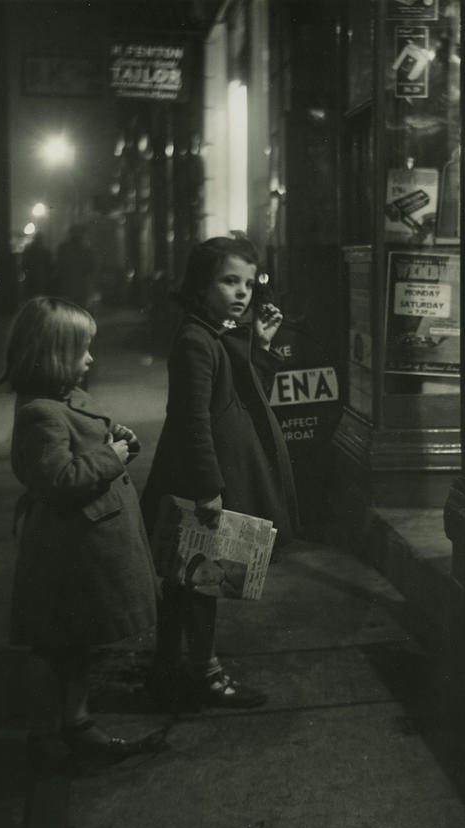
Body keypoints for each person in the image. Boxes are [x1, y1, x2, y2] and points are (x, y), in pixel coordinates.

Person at [0, 296, 165, 770]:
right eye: (81, 351)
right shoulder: (40, 414)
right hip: (65, 550)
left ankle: (76, 721)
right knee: (55, 645)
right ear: (51, 355)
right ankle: (48, 734)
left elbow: (86, 439)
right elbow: (60, 479)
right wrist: (111, 454)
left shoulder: (63, 399)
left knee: (75, 642)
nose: (90, 359)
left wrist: (112, 439)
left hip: (80, 542)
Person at [141, 235, 299, 710]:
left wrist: (262, 346)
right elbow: (192, 419)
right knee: (199, 577)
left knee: (184, 577)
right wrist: (209, 487)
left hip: (207, 475)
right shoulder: (196, 340)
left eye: (249, 282)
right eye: (229, 281)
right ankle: (203, 673)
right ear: (200, 286)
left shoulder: (213, 335)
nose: (242, 292)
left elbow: (245, 395)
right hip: (200, 480)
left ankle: (169, 668)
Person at [56, 224, 96, 308]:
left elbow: (58, 267)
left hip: (67, 286)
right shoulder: (86, 251)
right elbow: (91, 270)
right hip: (80, 287)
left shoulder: (63, 249)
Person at [20, 233, 53, 300]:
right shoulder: (45, 252)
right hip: (41, 281)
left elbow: (24, 265)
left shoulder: (29, 251)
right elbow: (50, 268)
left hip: (32, 281)